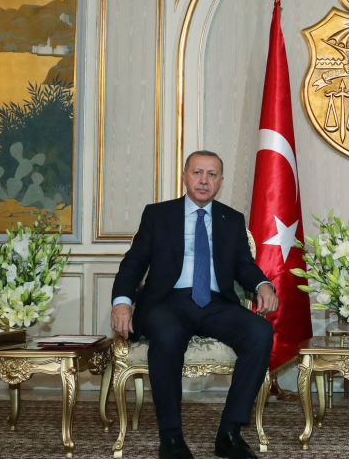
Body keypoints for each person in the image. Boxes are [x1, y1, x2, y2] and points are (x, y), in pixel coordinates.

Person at [110, 150, 279, 459]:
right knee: (168, 333)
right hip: (167, 302)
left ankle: (229, 433)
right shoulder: (158, 215)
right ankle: (171, 437)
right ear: (185, 177)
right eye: (197, 172)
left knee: (260, 331)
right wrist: (122, 302)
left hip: (216, 303)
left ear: (220, 181)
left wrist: (262, 284)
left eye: (212, 175)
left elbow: (244, 265)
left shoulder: (232, 219)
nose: (204, 180)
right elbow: (134, 263)